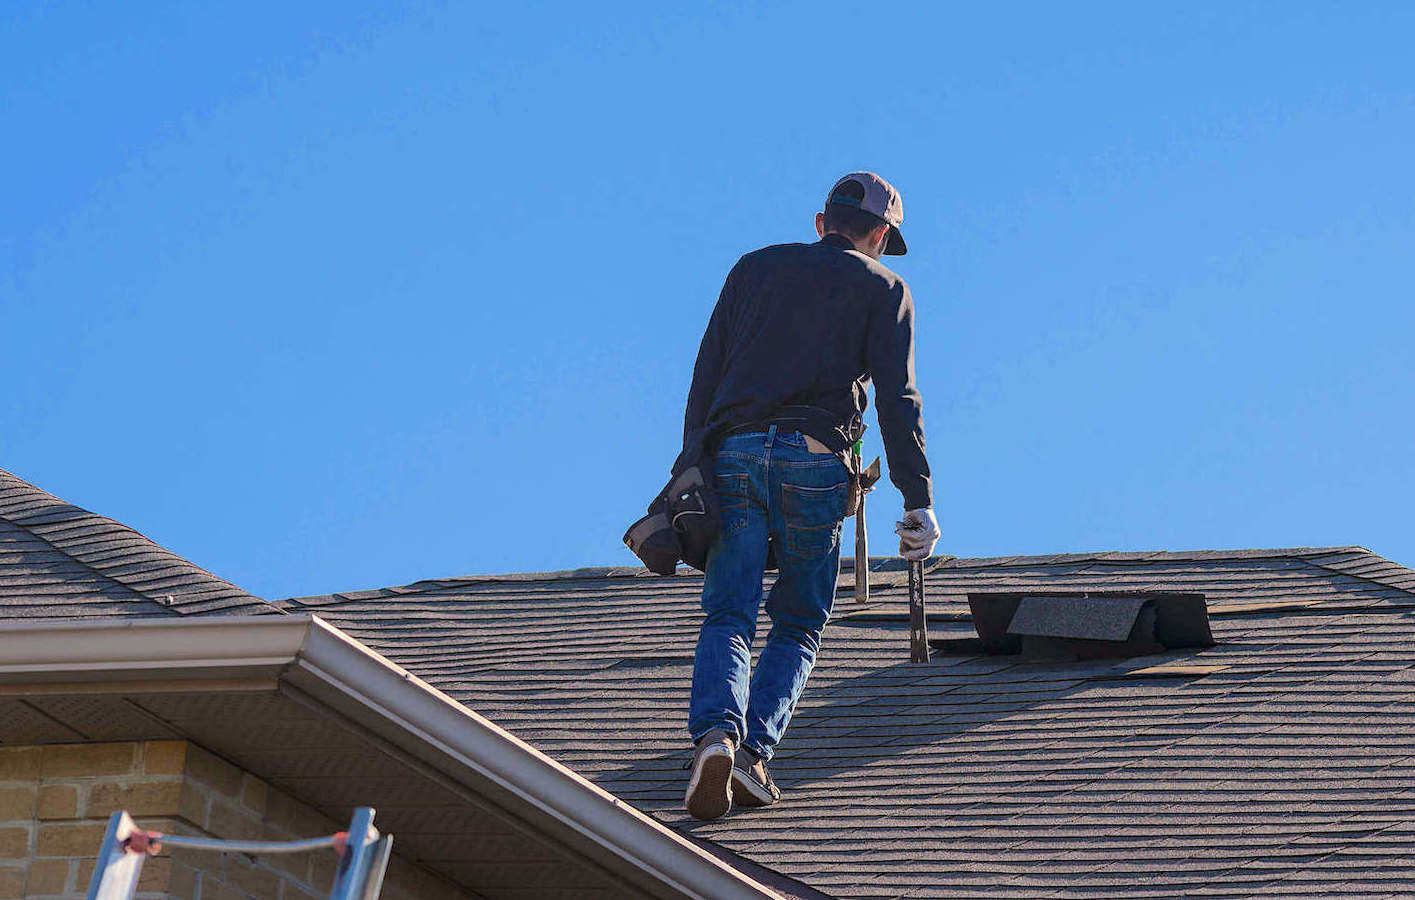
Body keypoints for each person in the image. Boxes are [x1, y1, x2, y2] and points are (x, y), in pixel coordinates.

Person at [680, 172, 940, 820]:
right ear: (879, 234)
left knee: (728, 612)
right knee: (796, 619)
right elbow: (896, 399)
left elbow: (705, 373)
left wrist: (690, 464)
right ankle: (751, 755)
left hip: (733, 452)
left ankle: (715, 736)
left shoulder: (752, 270)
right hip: (818, 460)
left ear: (820, 221)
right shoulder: (885, 288)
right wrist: (917, 497)